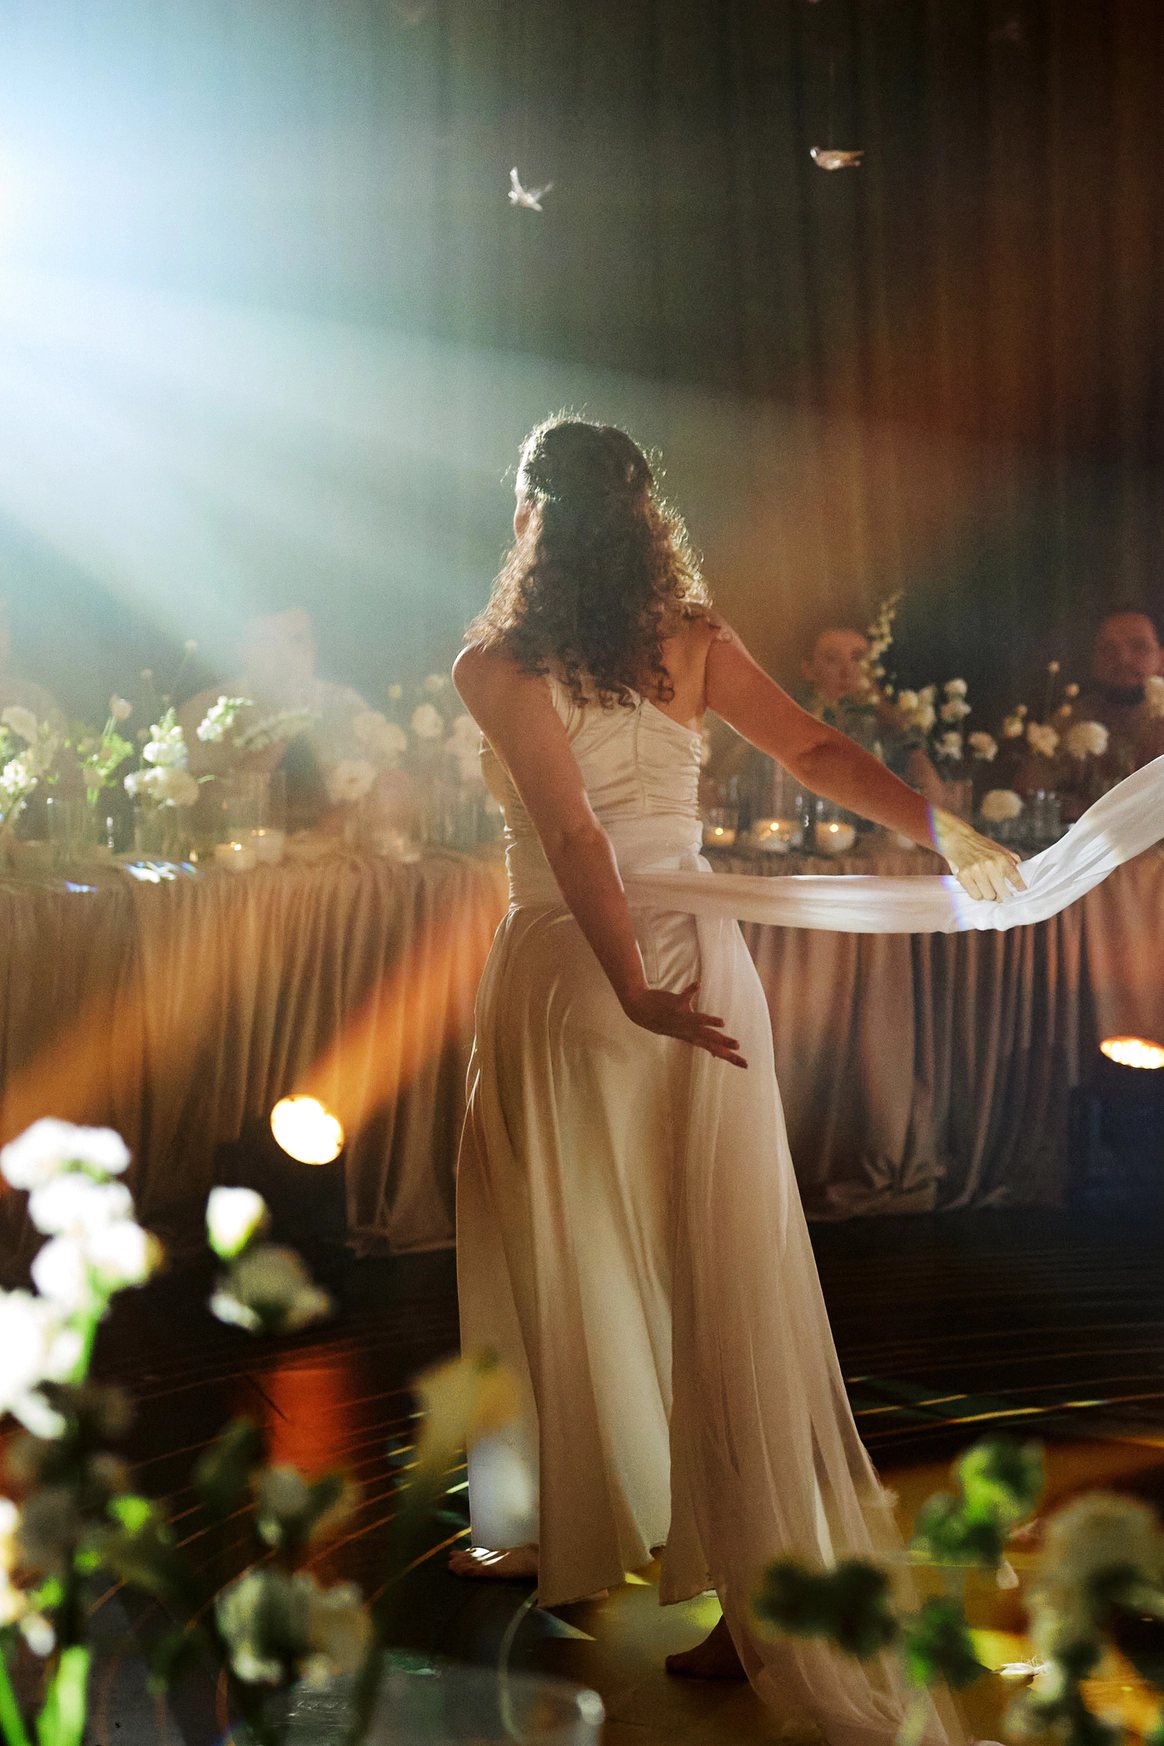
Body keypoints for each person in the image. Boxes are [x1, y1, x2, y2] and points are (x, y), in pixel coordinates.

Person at [446, 418, 1020, 1743]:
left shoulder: (497, 662)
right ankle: (721, 1587)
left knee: (567, 1235)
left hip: (578, 966)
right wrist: (945, 830)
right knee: (719, 1258)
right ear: (646, 517)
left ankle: (573, 1521)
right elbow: (816, 752)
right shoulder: (692, 637)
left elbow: (572, 832)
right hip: (698, 954)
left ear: (532, 518)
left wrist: (627, 984)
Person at [179, 608, 373, 830]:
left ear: (313, 648)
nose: (284, 656)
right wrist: (285, 725)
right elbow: (205, 814)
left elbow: (373, 803)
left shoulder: (346, 707)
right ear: (243, 652)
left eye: (296, 641)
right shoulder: (206, 713)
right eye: (267, 642)